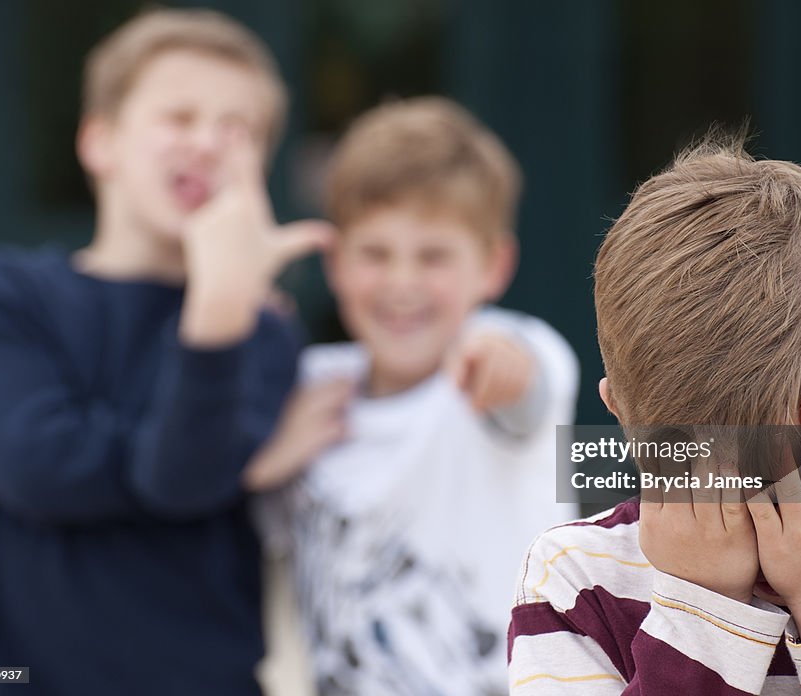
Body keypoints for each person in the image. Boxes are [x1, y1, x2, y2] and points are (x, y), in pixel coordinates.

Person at [0, 9, 330, 695]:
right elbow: (33, 466)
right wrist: (235, 468)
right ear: (100, 142)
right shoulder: (5, 294)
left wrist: (219, 308)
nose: (208, 143)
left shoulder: (264, 332)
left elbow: (178, 478)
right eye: (179, 118)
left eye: (236, 130)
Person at [506, 135, 801, 694]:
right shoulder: (575, 581)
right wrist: (703, 612)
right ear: (624, 421)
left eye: (799, 466)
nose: (764, 518)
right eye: (710, 481)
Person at [248, 97, 580, 695]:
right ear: (336, 263)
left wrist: (504, 367)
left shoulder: (513, 347)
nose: (402, 283)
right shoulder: (307, 387)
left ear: (493, 265)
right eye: (375, 254)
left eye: (434, 256)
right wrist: (267, 456)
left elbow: (528, 388)